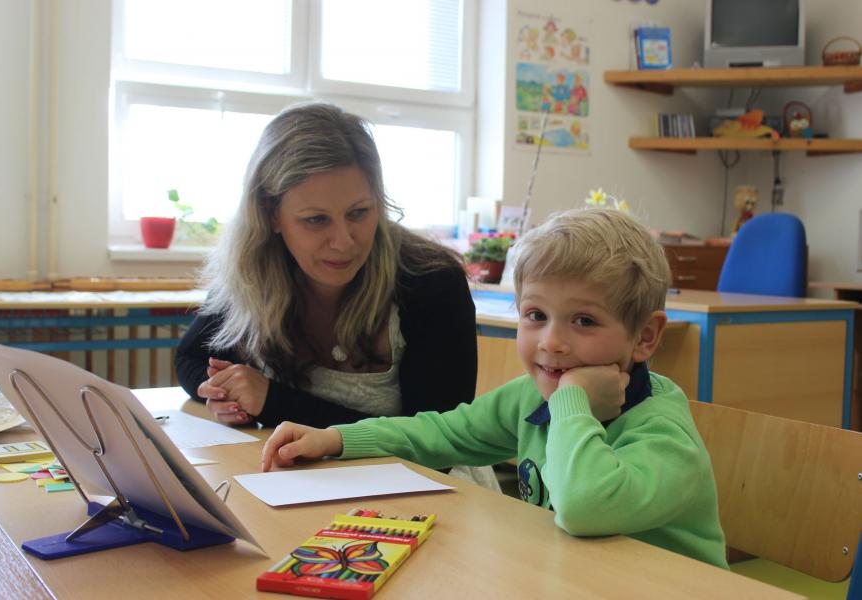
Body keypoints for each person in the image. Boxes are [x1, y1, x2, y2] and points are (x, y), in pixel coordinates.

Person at [259, 207, 729, 569]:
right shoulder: (530, 397)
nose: (551, 342)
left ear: (645, 336)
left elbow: (584, 507)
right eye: (535, 315)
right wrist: (336, 439)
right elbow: (441, 433)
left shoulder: (662, 433)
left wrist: (572, 401)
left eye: (584, 321)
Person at [175, 102, 478, 431]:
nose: (344, 242)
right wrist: (227, 394)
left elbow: (437, 440)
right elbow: (191, 359)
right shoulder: (253, 268)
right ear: (270, 214)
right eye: (316, 220)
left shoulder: (432, 281)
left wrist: (272, 402)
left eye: (359, 212)